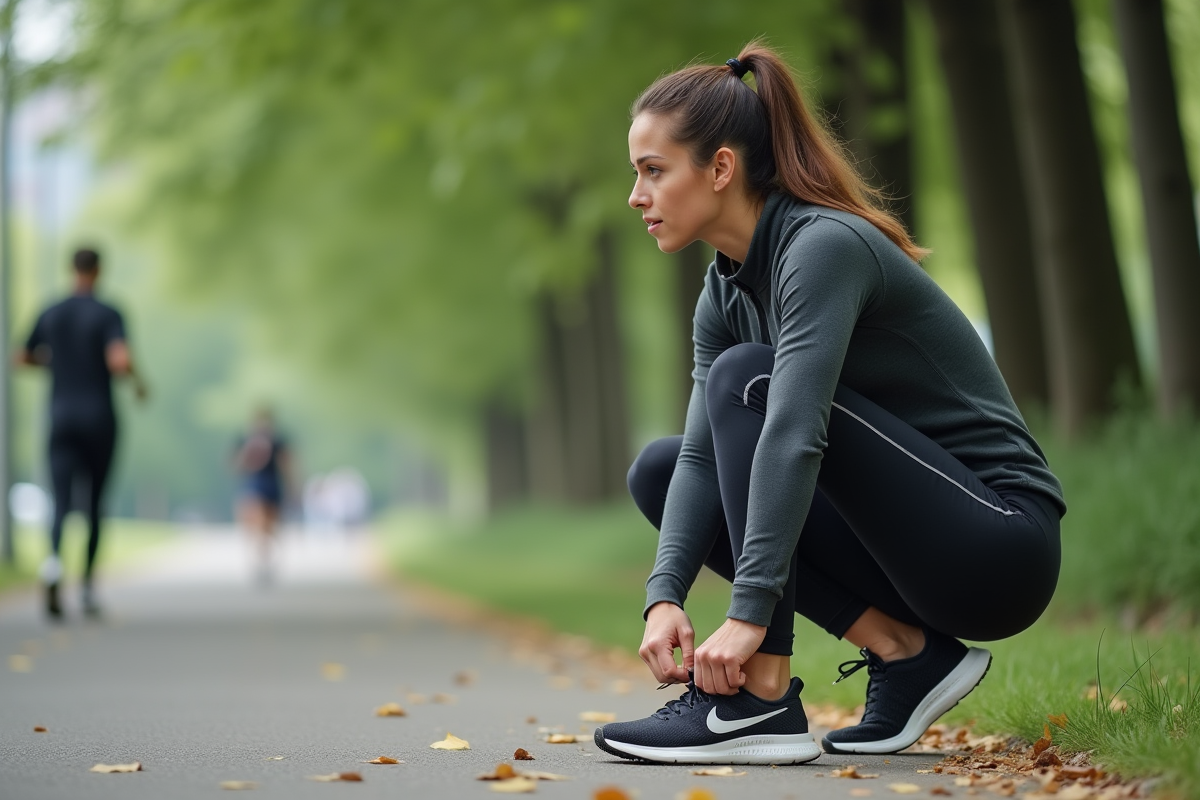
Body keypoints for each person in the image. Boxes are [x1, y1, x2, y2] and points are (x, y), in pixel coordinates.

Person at [593, 42, 1064, 766]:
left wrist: (749, 615)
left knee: (749, 381)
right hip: (901, 553)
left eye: (653, 171)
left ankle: (760, 700)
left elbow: (793, 432)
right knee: (658, 468)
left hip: (998, 544)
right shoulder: (723, 290)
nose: (636, 195)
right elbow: (696, 457)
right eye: (636, 174)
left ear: (720, 168)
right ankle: (906, 654)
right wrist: (664, 597)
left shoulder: (823, 248)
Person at [15, 247, 146, 620]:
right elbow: (119, 360)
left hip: (61, 417)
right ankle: (87, 588)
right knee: (94, 503)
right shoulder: (108, 314)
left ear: (70, 269)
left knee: (60, 500)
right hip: (99, 418)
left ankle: (54, 566)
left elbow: (21, 356)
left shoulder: (51, 312)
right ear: (99, 271)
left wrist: (55, 361)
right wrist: (137, 382)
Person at [233, 408, 291, 584]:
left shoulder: (278, 442)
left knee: (269, 528)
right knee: (255, 524)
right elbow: (235, 466)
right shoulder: (245, 441)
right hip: (254, 487)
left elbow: (287, 465)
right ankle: (260, 560)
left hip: (272, 487)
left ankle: (265, 558)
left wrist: (292, 488)